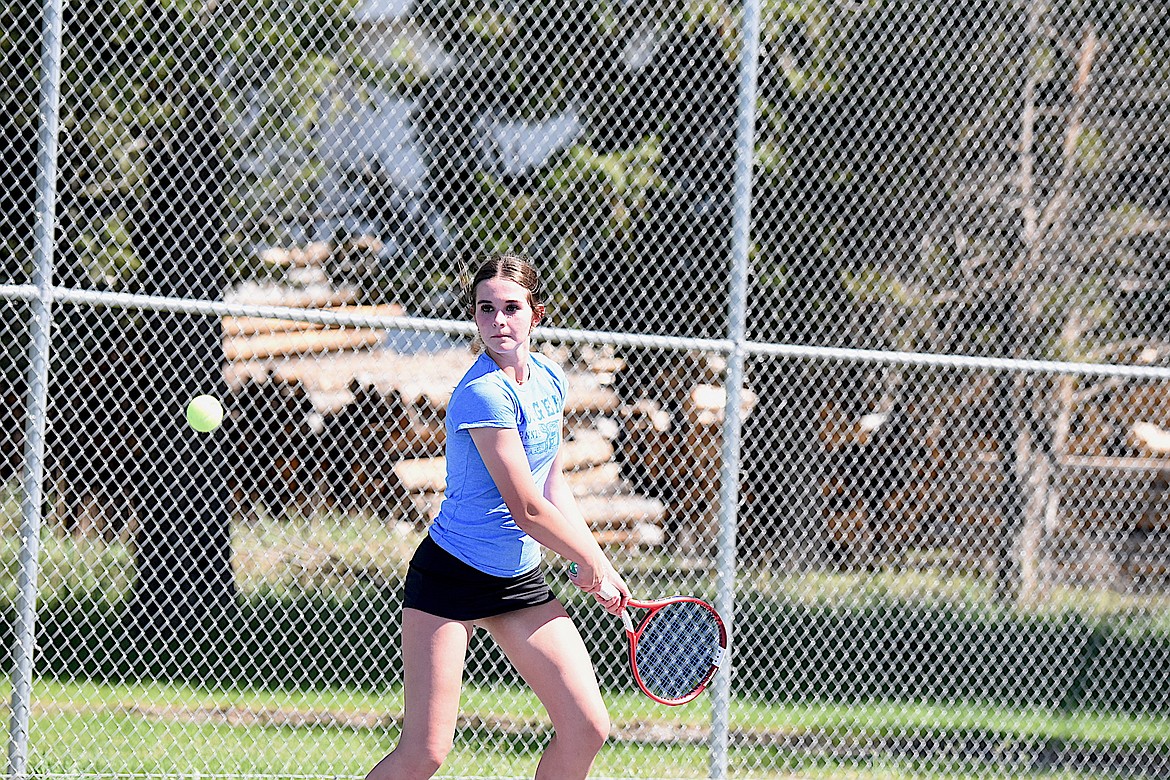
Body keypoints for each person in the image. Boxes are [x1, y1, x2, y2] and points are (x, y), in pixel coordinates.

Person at [365, 254, 630, 780]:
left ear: (537, 313)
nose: (499, 321)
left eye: (511, 308)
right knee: (425, 751)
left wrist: (598, 562)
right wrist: (587, 560)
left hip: (518, 581)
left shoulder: (550, 380)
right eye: (486, 310)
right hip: (451, 576)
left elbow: (553, 485)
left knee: (585, 727)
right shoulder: (482, 393)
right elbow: (527, 507)